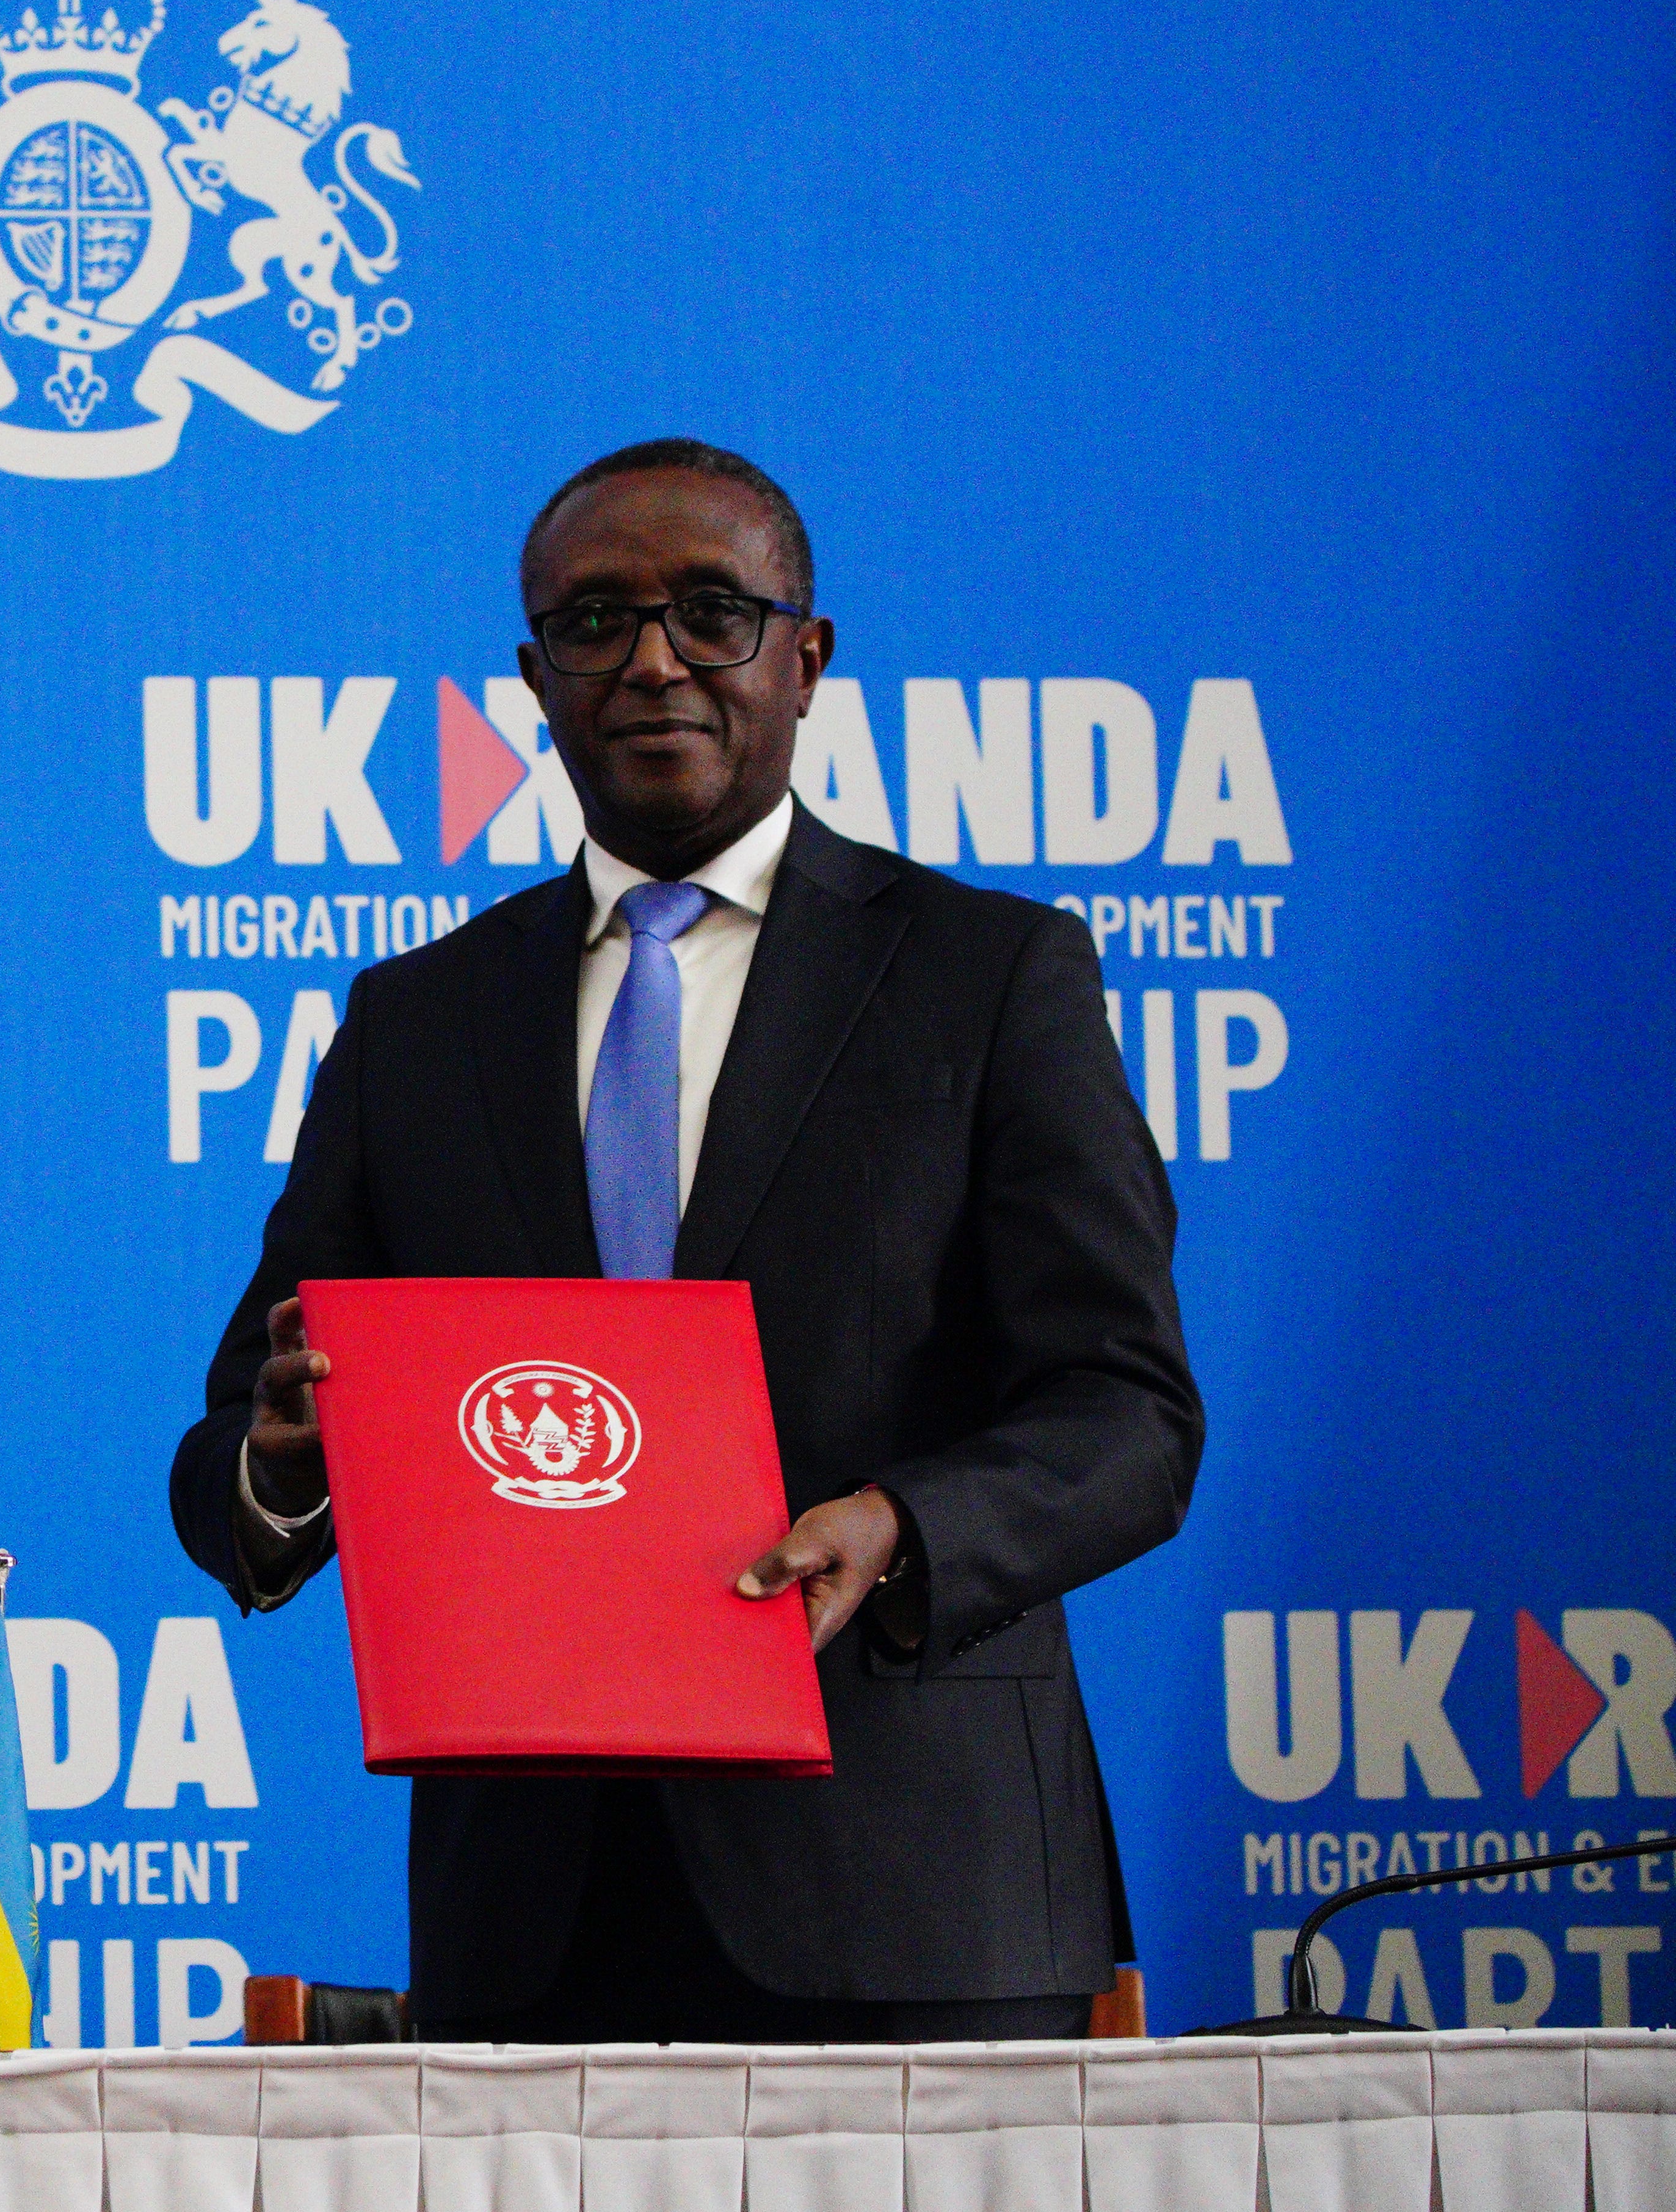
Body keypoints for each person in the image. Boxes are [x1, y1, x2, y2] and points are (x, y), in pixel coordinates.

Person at [170, 438, 1200, 2043]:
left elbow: (1131, 1420)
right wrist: (295, 1456)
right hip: (537, 1923)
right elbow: (237, 1457)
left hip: (920, 1901)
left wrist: (900, 1526)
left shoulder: (992, 979)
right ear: (535, 680)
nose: (653, 660)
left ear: (807, 659)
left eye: (711, 613)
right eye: (595, 624)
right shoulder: (414, 1026)